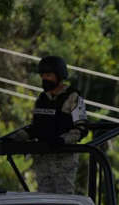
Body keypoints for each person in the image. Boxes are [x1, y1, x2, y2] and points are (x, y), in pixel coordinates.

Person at [7, 55, 87, 194]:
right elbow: (34, 128)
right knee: (44, 201)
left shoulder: (73, 98)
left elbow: (81, 129)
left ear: (59, 76)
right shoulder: (42, 99)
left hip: (63, 161)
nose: (45, 79)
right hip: (43, 159)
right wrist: (13, 139)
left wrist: (62, 140)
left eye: (49, 75)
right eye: (42, 75)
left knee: (63, 201)